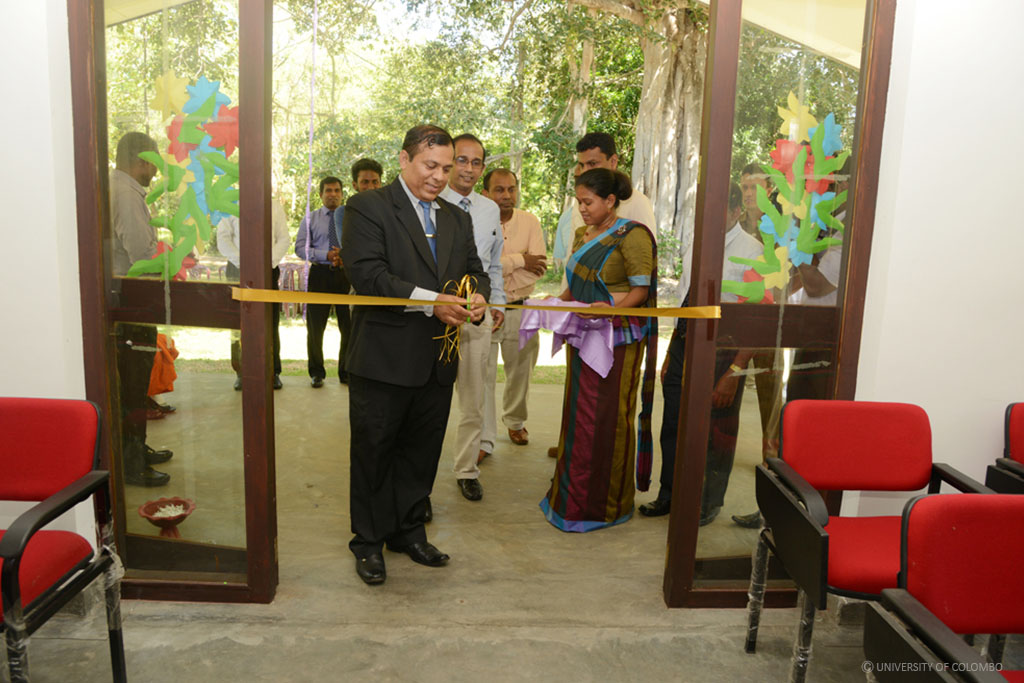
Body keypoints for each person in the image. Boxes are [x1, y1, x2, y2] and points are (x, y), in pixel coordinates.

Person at [341, 124, 490, 585]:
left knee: (420, 455)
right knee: (374, 454)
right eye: (431, 166)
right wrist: (433, 302)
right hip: (383, 361)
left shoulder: (455, 218)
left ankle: (408, 532)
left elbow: (474, 272)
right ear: (404, 160)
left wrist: (478, 298)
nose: (440, 176)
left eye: (447, 168)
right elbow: (370, 277)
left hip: (437, 360)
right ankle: (368, 543)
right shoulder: (367, 207)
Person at [541, 168, 656, 532]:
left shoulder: (633, 235)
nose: (583, 208)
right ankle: (570, 498)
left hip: (615, 341)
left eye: (588, 202)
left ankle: (605, 505)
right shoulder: (582, 233)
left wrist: (613, 309)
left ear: (610, 201)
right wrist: (556, 303)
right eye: (579, 201)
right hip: (583, 333)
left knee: (606, 419)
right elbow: (574, 287)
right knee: (578, 416)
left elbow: (640, 290)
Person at [640, 183, 763, 525]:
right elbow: (686, 299)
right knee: (674, 424)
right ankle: (670, 493)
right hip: (684, 345)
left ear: (737, 212)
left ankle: (708, 502)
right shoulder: (697, 242)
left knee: (717, 431)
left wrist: (736, 370)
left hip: (724, 353)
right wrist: (670, 353)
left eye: (719, 210)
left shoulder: (752, 252)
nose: (707, 217)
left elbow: (755, 318)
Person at [547, 132, 659, 459]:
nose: (583, 171)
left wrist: (611, 307)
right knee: (580, 403)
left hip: (616, 330)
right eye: (580, 165)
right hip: (582, 325)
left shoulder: (637, 210)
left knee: (609, 409)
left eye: (592, 164)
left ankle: (602, 480)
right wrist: (557, 303)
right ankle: (576, 462)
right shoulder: (583, 216)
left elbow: (640, 278)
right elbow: (578, 265)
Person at [440, 134, 506, 502]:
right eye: (461, 160)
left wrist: (497, 303)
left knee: (473, 399)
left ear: (482, 167)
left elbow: (492, 264)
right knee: (428, 401)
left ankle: (466, 469)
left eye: (475, 162)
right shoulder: (430, 200)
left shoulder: (488, 210)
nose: (467, 168)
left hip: (475, 316)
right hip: (433, 316)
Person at [110, 131, 172, 486]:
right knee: (133, 384)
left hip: (127, 298)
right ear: (142, 160)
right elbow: (140, 254)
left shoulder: (122, 189)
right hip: (132, 300)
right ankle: (132, 462)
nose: (156, 169)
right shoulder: (126, 194)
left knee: (134, 383)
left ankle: (137, 447)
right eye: (154, 161)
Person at [480, 168, 546, 452]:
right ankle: (483, 435)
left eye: (511, 189)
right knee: (480, 374)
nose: (507, 196)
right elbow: (479, 268)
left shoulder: (530, 222)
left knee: (520, 372)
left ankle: (515, 422)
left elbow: (538, 270)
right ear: (485, 193)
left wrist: (501, 267)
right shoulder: (475, 222)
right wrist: (519, 260)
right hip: (483, 310)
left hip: (520, 307)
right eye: (499, 190)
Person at [217, 200, 291, 390]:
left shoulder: (274, 206)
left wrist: (266, 262)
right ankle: (241, 372)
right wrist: (245, 263)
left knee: (270, 321)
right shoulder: (230, 205)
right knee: (238, 323)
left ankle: (273, 372)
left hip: (268, 268)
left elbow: (283, 238)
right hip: (237, 269)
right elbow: (223, 238)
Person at [296, 176, 351, 387]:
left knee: (348, 326)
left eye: (337, 190)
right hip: (320, 275)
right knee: (315, 327)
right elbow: (300, 248)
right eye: (328, 191)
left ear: (342, 194)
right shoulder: (310, 218)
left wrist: (344, 255)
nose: (333, 195)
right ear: (320, 195)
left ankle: (345, 371)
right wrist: (324, 254)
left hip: (345, 275)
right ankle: (316, 372)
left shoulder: (350, 218)